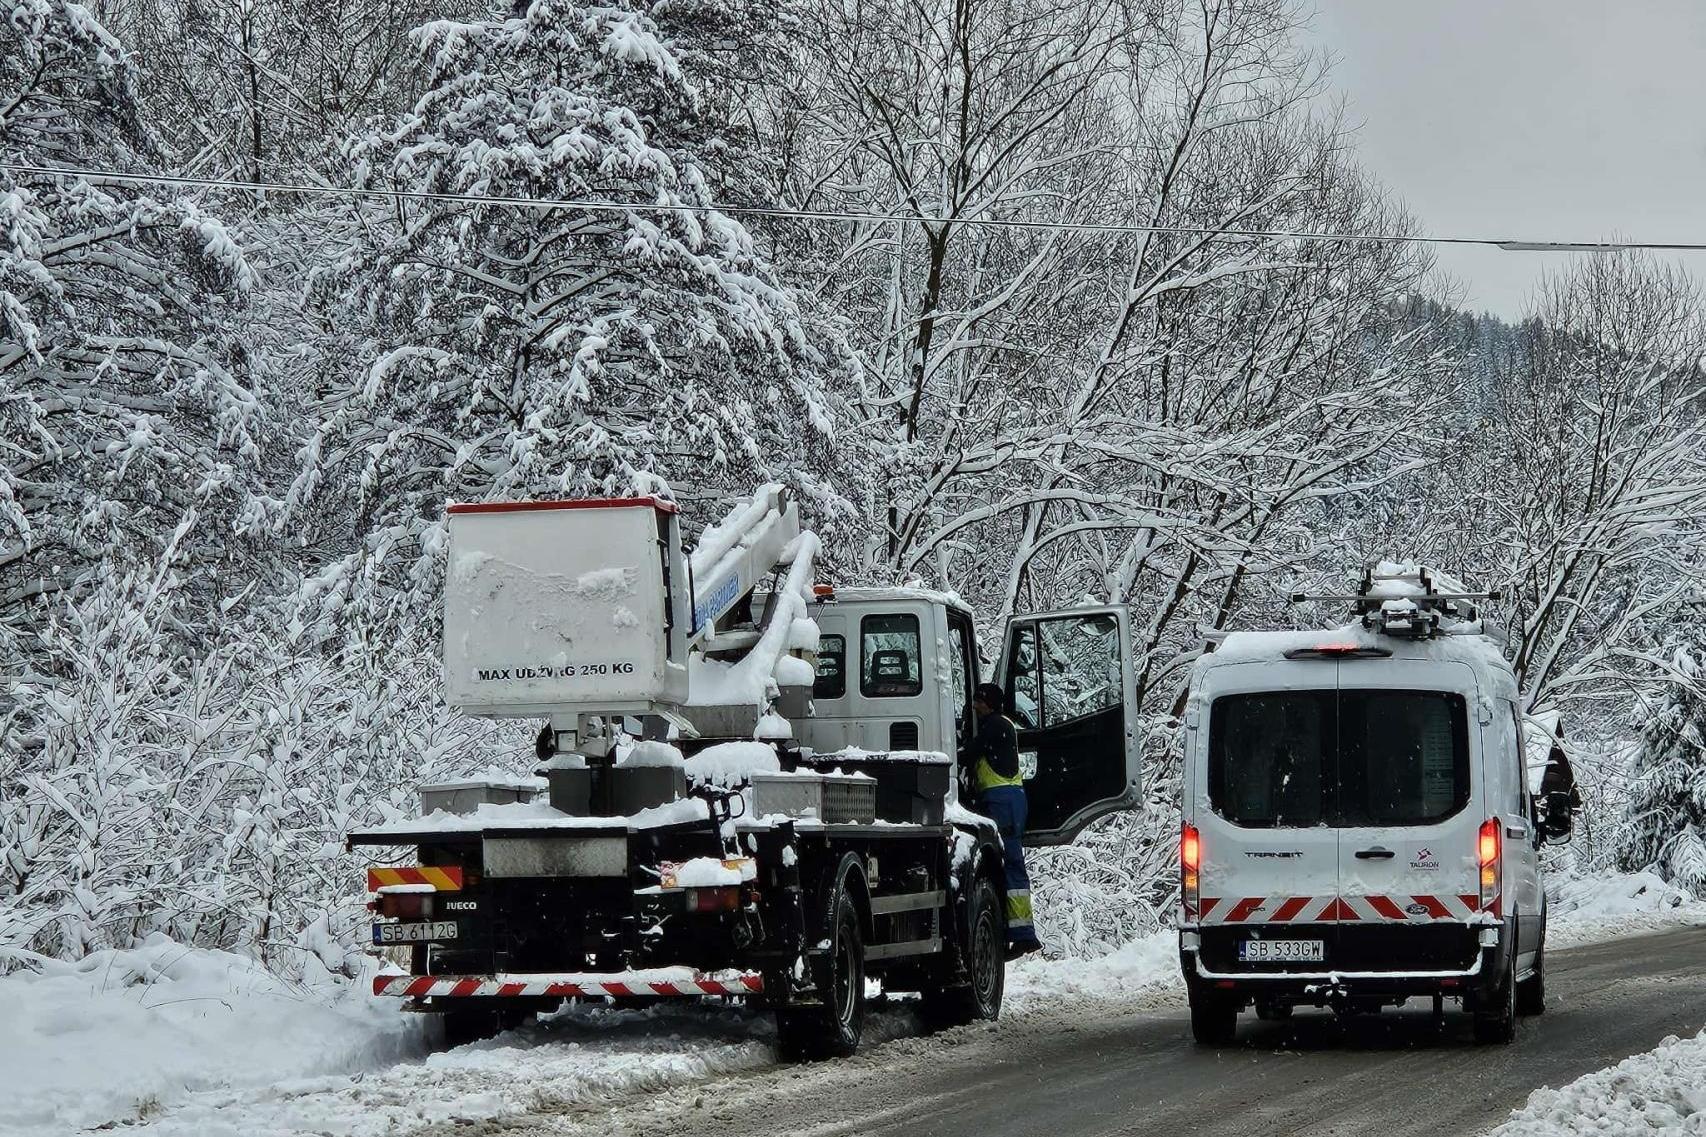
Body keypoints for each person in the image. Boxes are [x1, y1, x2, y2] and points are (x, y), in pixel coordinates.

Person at [967, 682, 1043, 958]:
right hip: (1006, 800)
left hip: (1003, 802)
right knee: (1008, 864)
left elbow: (970, 753)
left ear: (989, 703)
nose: (975, 706)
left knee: (1011, 864)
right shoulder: (1002, 725)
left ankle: (1024, 935)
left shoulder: (994, 726)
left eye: (978, 701)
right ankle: (1019, 932)